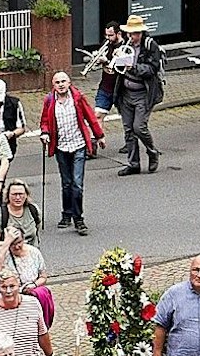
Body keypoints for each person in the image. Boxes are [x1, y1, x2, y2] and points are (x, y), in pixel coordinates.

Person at [40, 71, 107, 236]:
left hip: (78, 145)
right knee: (66, 183)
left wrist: (99, 136)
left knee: (77, 184)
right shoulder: (49, 101)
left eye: (64, 81)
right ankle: (66, 214)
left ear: (69, 83)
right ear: (53, 85)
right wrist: (45, 133)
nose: (61, 85)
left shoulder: (78, 98)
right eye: (57, 82)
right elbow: (45, 121)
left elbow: (90, 117)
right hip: (61, 147)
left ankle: (79, 219)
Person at [114, 15, 166, 176]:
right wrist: (115, 59)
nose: (132, 37)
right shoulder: (125, 45)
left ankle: (152, 151)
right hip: (126, 93)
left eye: (135, 33)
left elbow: (152, 69)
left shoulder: (151, 46)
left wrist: (133, 67)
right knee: (129, 130)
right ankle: (133, 163)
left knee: (139, 127)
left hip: (144, 93)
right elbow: (119, 68)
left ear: (141, 33)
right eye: (130, 33)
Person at [0, 226, 53, 327]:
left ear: (24, 239)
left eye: (19, 242)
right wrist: (6, 244)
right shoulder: (1, 252)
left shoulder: (34, 252)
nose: (16, 247)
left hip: (32, 298)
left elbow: (43, 277)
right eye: (12, 244)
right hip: (10, 299)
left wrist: (33, 285)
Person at [0, 181, 44, 248]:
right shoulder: (0, 215)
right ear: (8, 195)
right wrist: (8, 243)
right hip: (8, 254)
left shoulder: (34, 210)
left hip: (31, 254)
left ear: (26, 195)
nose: (18, 197)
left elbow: (37, 229)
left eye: (21, 194)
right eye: (14, 194)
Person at [84, 24, 124, 114]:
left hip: (120, 89)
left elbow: (121, 68)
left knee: (128, 120)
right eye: (106, 35)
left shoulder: (125, 47)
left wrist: (106, 61)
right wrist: (97, 61)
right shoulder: (106, 43)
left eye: (111, 35)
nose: (108, 38)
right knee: (97, 115)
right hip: (105, 87)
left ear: (118, 34)